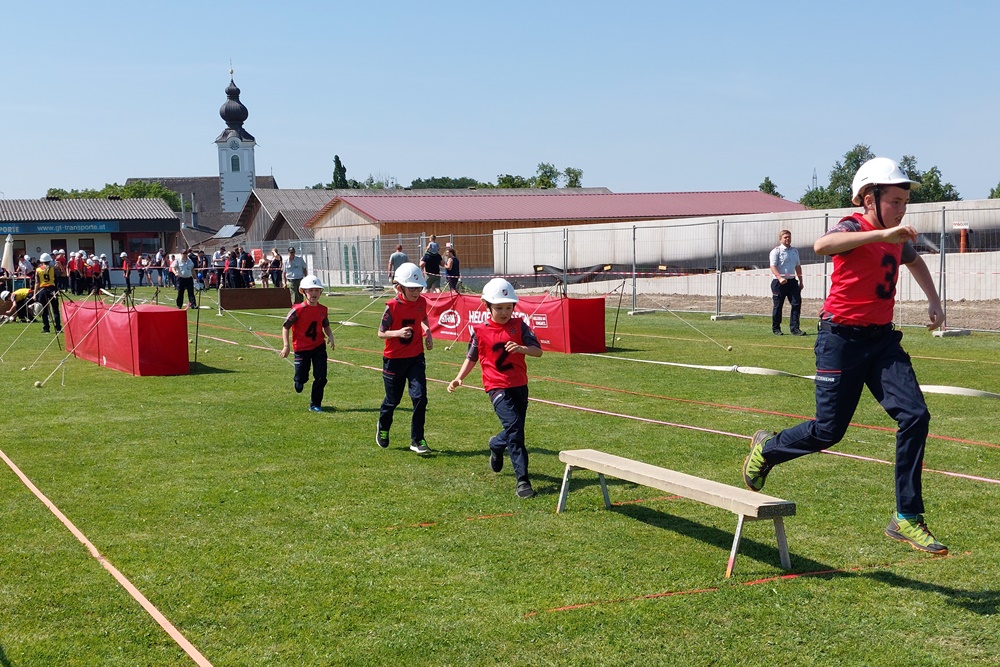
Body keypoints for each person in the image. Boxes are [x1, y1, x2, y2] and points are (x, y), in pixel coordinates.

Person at [743, 157, 948, 555]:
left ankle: (906, 516)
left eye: (905, 202)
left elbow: (914, 259)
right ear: (869, 198)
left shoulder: (895, 235)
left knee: (916, 415)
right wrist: (883, 233)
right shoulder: (855, 226)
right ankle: (767, 450)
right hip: (840, 340)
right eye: (894, 200)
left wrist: (934, 301)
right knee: (828, 431)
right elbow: (823, 245)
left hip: (883, 342)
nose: (901, 209)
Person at [447, 278, 543, 498]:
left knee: (514, 429)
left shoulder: (520, 326)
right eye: (499, 308)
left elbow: (538, 351)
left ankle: (496, 444)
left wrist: (521, 348)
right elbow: (471, 357)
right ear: (487, 306)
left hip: (519, 384)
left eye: (508, 307)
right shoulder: (480, 331)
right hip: (496, 386)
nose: (504, 312)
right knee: (516, 431)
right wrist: (459, 378)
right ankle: (523, 480)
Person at [376, 262, 434, 455]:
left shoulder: (422, 302)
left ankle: (417, 439)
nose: (416, 292)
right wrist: (398, 333)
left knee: (420, 398)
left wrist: (428, 332)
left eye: (419, 288)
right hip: (394, 360)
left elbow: (423, 318)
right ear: (400, 287)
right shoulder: (391, 306)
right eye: (412, 288)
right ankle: (383, 428)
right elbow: (381, 333)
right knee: (393, 400)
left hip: (416, 357)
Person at [279, 275, 335, 413]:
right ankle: (298, 380)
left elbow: (326, 325)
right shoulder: (297, 310)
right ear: (303, 291)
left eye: (317, 290)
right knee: (302, 377)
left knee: (321, 377)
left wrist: (331, 336)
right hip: (301, 349)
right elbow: (285, 327)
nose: (314, 294)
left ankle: (315, 404)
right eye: (310, 290)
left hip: (318, 347)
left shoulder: (323, 309)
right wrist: (286, 346)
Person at [769, 229, 805, 335]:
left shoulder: (794, 251)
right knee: (778, 305)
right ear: (780, 239)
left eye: (789, 237)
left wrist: (801, 281)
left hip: (792, 282)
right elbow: (773, 266)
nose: (787, 239)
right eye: (785, 237)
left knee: (796, 303)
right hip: (779, 283)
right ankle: (776, 328)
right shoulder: (776, 251)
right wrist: (780, 278)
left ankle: (795, 328)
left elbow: (798, 266)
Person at [34, 252, 61, 334]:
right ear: (49, 261)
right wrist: (60, 266)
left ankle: (46, 329)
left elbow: (37, 283)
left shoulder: (38, 270)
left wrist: (35, 294)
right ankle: (58, 328)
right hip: (52, 289)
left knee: (44, 310)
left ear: (42, 261)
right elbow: (63, 274)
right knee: (55, 309)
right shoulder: (53, 268)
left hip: (43, 290)